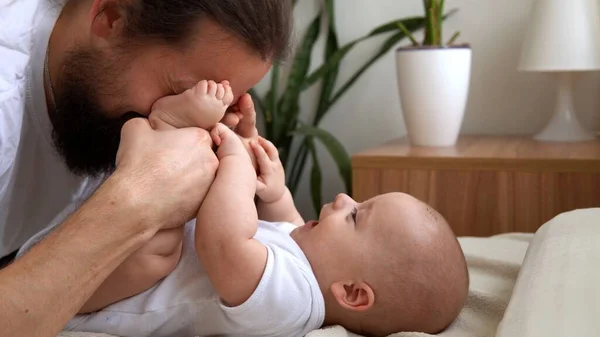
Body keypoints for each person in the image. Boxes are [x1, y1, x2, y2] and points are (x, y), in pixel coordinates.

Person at [43, 78, 469, 337]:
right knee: (170, 217)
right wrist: (269, 181)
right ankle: (162, 130)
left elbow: (223, 242)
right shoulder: (310, 260)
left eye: (356, 215)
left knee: (160, 250)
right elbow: (285, 221)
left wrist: (232, 160)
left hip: (91, 299)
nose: (343, 198)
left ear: (352, 294)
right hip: (100, 261)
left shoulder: (292, 303)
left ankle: (166, 126)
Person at [0, 0, 292, 335]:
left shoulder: (96, 98)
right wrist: (134, 205)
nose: (204, 125)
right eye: (182, 91)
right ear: (110, 19)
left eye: (225, 102)